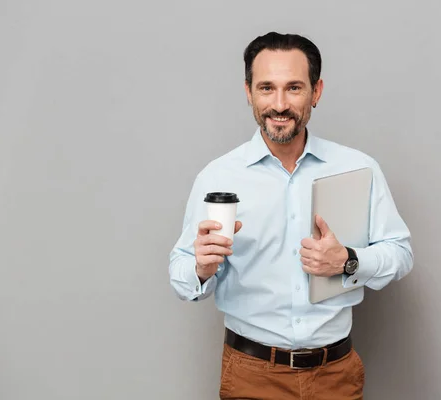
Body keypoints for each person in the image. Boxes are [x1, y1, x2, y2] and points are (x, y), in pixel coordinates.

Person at [169, 32, 414, 400]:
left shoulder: (358, 169)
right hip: (251, 374)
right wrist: (201, 269)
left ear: (316, 92)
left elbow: (400, 253)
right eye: (267, 88)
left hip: (335, 374)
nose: (279, 104)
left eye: (294, 88)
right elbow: (181, 273)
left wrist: (348, 260)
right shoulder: (218, 177)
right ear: (248, 91)